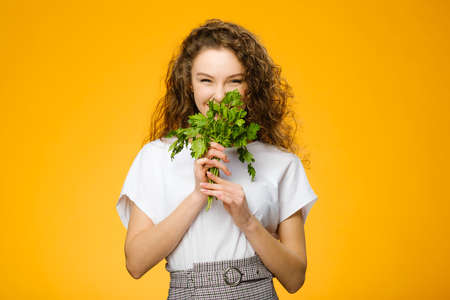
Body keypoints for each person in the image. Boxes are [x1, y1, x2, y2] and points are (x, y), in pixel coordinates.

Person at [116, 19, 318, 299]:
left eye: (234, 81)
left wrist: (247, 220)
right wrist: (199, 194)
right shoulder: (156, 157)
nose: (220, 96)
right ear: (189, 84)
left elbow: (295, 278)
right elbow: (135, 263)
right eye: (206, 80)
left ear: (251, 86)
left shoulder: (282, 164)